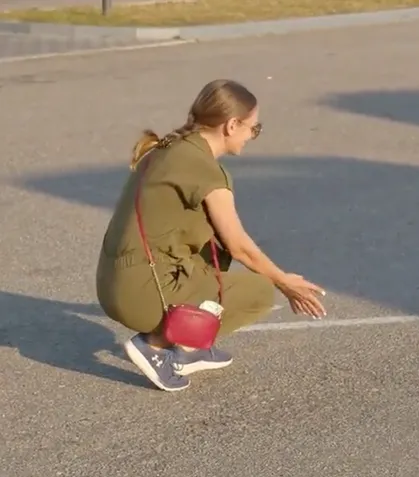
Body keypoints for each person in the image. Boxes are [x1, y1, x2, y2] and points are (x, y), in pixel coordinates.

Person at [96, 79, 327, 392]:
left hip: (115, 282)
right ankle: (159, 346)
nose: (252, 136)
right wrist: (285, 282)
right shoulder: (205, 169)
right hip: (139, 293)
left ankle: (190, 346)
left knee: (213, 246)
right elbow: (241, 246)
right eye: (253, 129)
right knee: (259, 290)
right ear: (232, 125)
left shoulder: (171, 148)